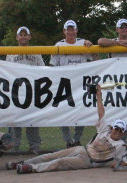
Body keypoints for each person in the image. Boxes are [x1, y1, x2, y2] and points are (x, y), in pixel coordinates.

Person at [6, 85, 127, 174]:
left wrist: (118, 164)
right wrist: (98, 95)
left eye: (120, 130)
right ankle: (21, 162)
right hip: (82, 149)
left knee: (60, 162)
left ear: (123, 132)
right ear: (112, 127)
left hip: (87, 160)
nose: (117, 131)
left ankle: (31, 168)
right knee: (51, 155)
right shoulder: (105, 130)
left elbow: (126, 162)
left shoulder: (121, 145)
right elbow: (101, 112)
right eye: (116, 128)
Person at [50, 20, 96, 148]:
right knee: (62, 113)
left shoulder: (83, 43)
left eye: (72, 29)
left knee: (82, 112)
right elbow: (53, 66)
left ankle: (77, 139)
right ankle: (68, 141)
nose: (70, 32)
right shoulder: (58, 45)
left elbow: (94, 61)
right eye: (68, 29)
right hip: (63, 85)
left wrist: (92, 48)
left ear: (76, 30)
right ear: (64, 31)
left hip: (81, 85)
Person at [6, 26, 44, 154]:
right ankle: (14, 146)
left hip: (32, 91)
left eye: (25, 34)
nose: (23, 37)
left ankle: (34, 146)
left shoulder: (36, 52)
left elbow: (43, 70)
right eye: (20, 35)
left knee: (32, 120)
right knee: (15, 120)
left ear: (29, 37)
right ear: (17, 37)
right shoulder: (11, 53)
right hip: (16, 91)